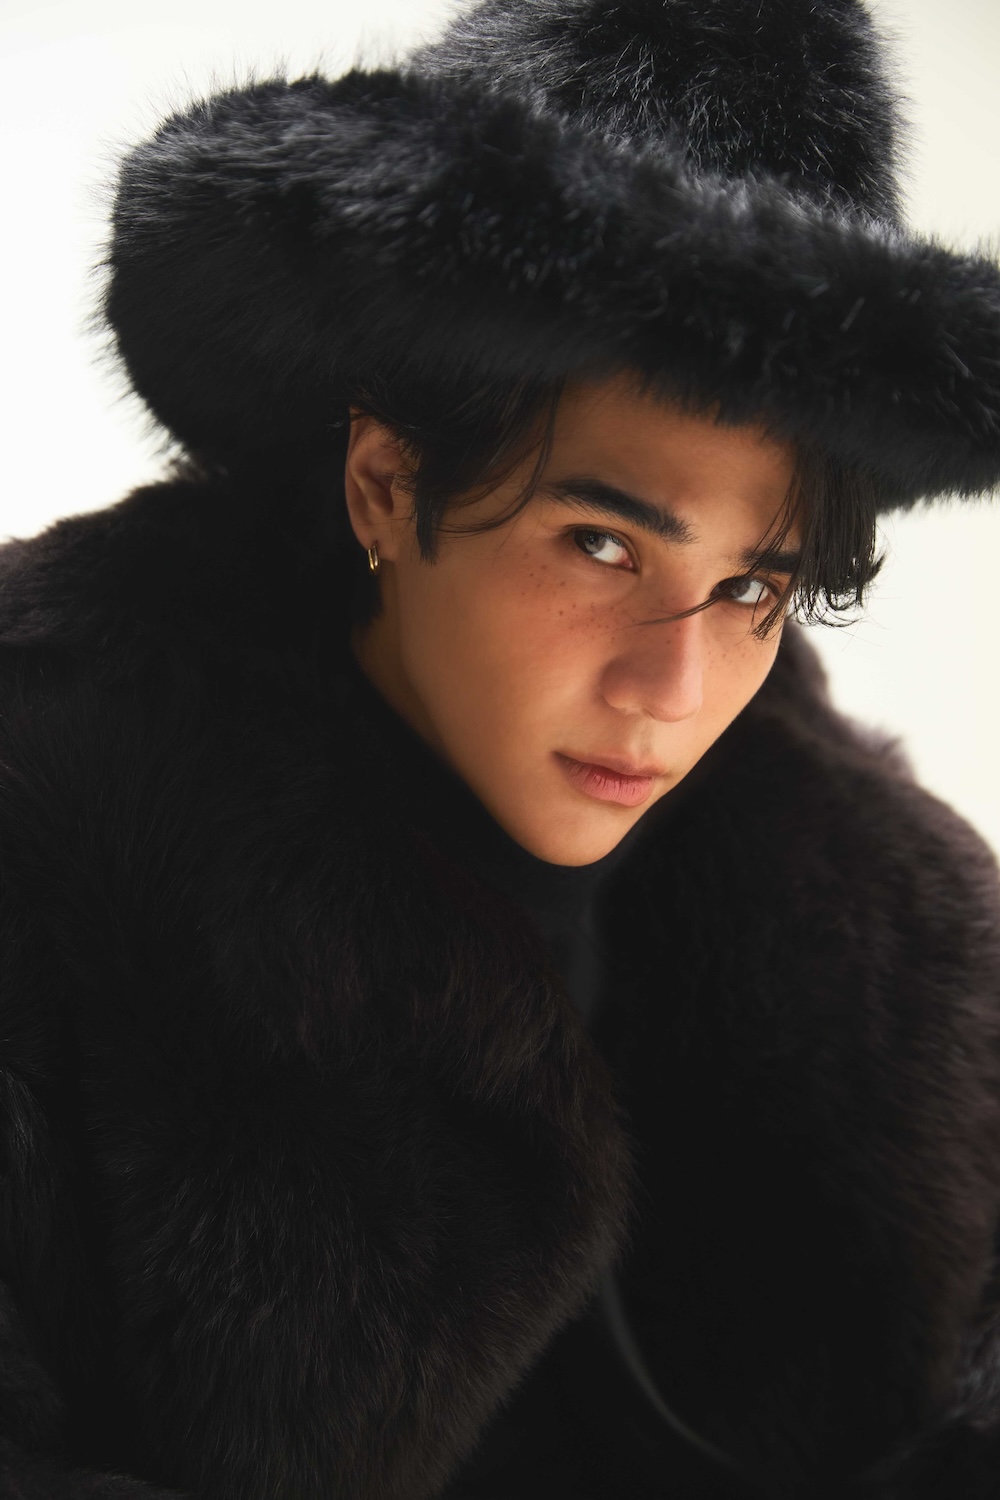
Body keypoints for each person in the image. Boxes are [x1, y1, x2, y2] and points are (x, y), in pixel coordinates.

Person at [1, 0, 999, 1496]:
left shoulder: (888, 916)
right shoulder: (47, 808)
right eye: (601, 543)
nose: (673, 689)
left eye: (754, 588)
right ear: (386, 484)